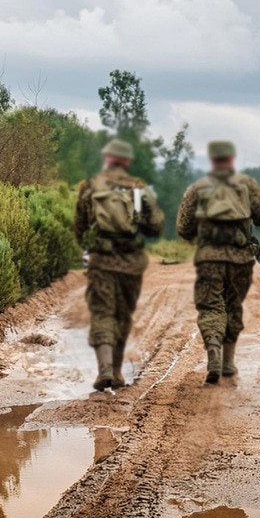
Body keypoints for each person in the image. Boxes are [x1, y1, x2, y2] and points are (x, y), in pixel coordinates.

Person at [74, 138, 165, 391]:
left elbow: (80, 227)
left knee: (103, 312)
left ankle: (103, 370)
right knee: (122, 314)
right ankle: (116, 371)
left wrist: (92, 247)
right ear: (126, 161)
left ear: (107, 158)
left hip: (101, 261)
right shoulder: (138, 188)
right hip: (130, 263)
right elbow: (155, 225)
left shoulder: (90, 187)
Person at [176, 140, 260, 383]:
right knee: (233, 306)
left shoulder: (197, 188)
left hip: (210, 259)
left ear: (212, 160)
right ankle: (228, 362)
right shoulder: (248, 185)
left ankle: (213, 353)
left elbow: (183, 227)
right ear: (232, 159)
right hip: (241, 260)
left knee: (211, 308)